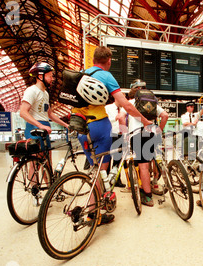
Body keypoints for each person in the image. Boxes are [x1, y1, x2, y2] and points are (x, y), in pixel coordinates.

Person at [72, 46, 153, 223]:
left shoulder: (81, 73)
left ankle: (95, 207)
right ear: (108, 61)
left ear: (93, 60)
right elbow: (127, 106)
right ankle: (94, 214)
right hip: (98, 127)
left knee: (96, 170)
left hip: (80, 127)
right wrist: (145, 121)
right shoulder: (106, 76)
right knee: (102, 172)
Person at [118, 79, 169, 206]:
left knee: (143, 166)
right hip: (151, 134)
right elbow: (165, 116)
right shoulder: (153, 103)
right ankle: (154, 184)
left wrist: (124, 134)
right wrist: (159, 130)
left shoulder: (130, 103)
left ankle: (147, 196)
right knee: (151, 161)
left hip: (137, 134)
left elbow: (120, 117)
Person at [20, 62, 69, 151]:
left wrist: (66, 125)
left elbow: (50, 114)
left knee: (47, 161)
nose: (52, 79)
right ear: (40, 76)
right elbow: (23, 112)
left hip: (45, 128)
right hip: (34, 128)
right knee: (36, 160)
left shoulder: (45, 93)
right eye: (50, 76)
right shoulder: (31, 91)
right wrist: (40, 125)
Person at [105, 102, 126, 187]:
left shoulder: (123, 110)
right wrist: (115, 118)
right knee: (108, 157)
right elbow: (106, 120)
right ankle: (106, 180)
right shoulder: (108, 107)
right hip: (110, 134)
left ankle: (116, 179)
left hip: (120, 135)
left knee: (118, 159)